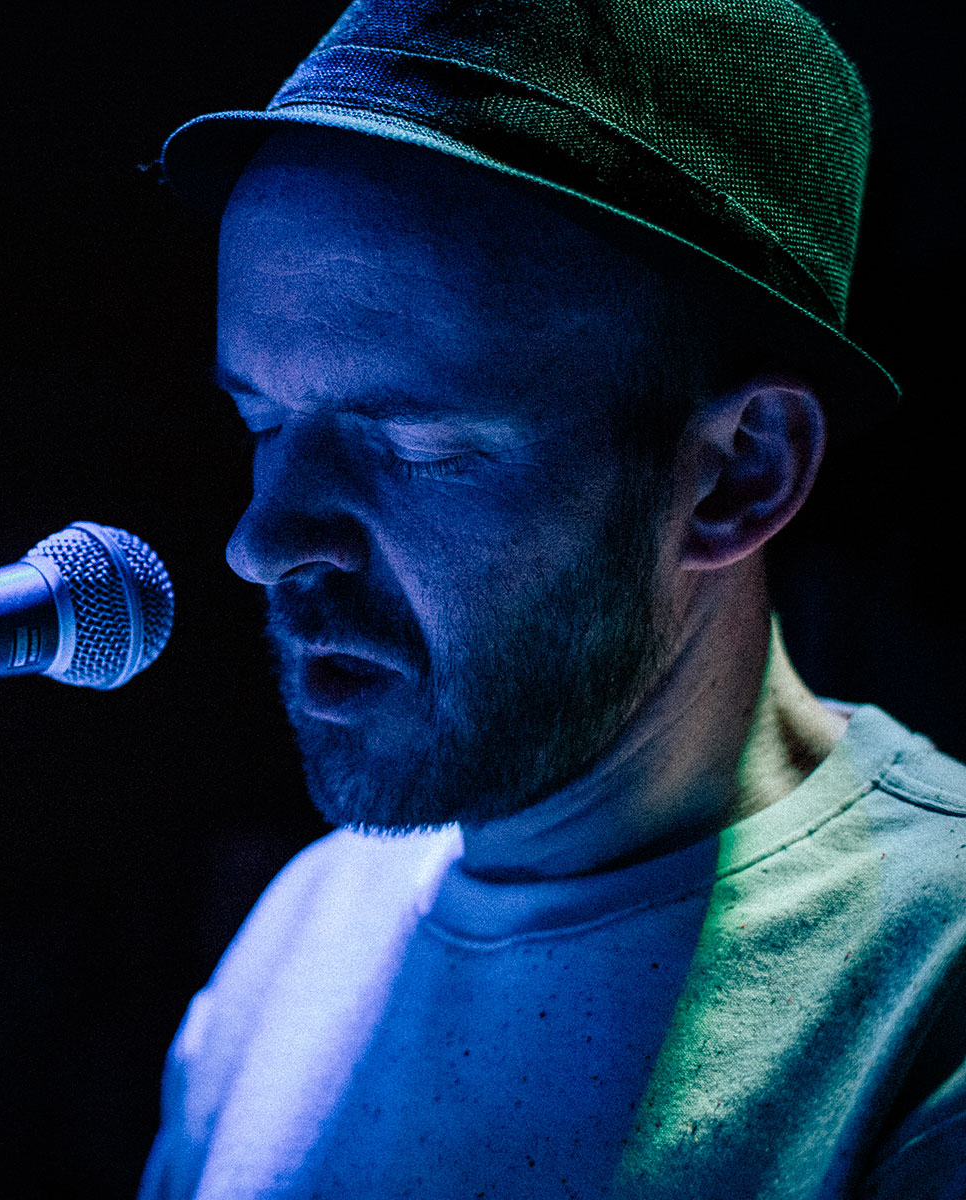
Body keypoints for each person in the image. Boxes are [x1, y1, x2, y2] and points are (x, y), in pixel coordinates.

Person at [139, 2, 966, 1197]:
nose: (260, 540)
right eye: (260, 421)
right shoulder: (296, 942)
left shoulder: (927, 997)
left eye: (411, 443)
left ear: (740, 474)